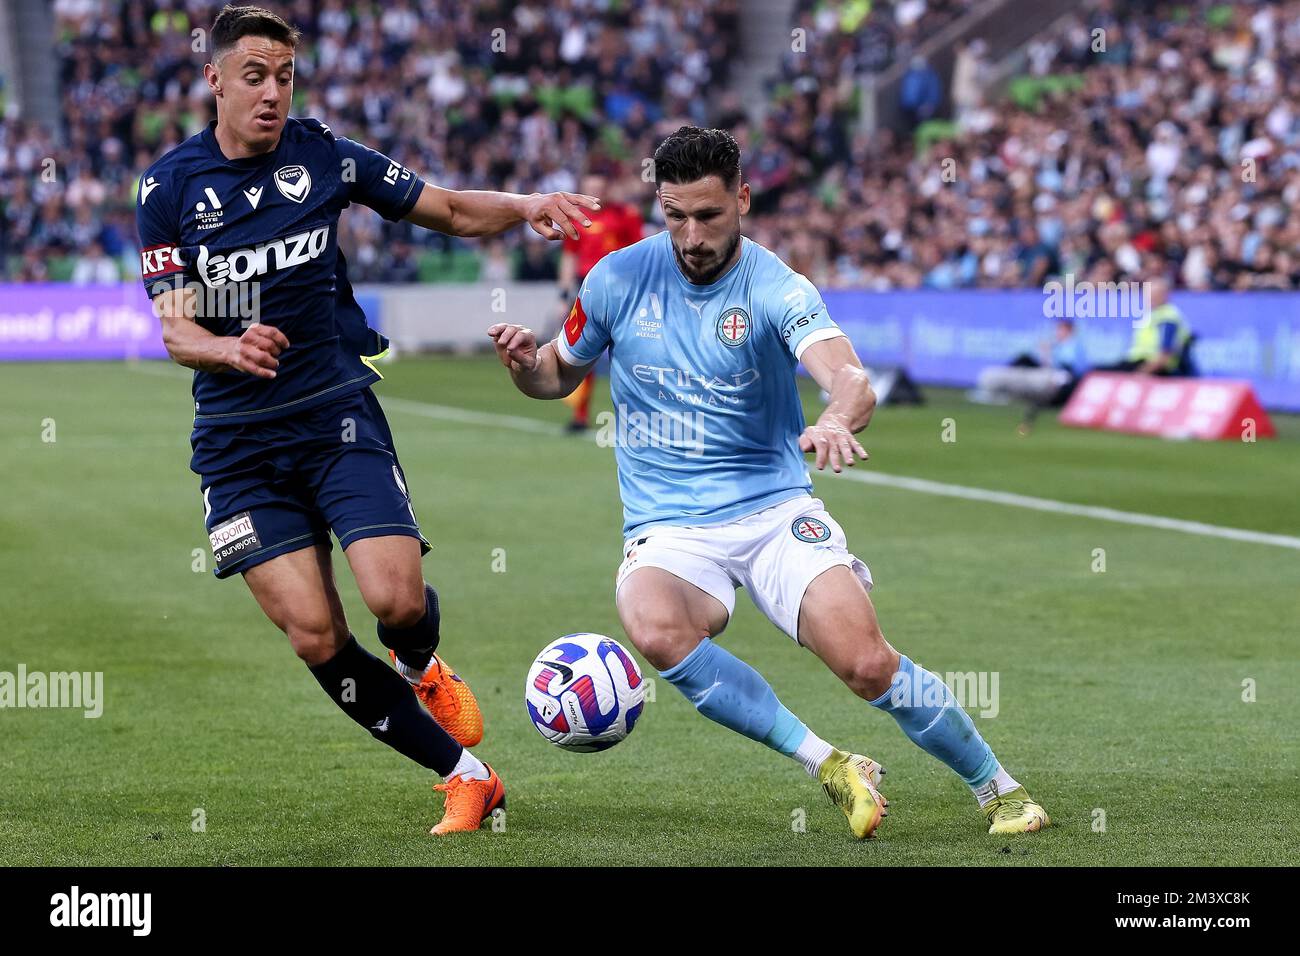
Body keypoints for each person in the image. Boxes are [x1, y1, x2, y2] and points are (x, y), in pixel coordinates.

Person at [488, 127, 1048, 838]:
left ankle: (999, 788)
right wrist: (524, 365)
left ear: (744, 199)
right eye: (675, 215)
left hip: (774, 510)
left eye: (709, 216)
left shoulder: (777, 287)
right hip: (668, 528)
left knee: (867, 664)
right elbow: (556, 375)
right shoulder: (616, 279)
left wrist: (838, 417)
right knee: (654, 625)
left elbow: (848, 375)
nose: (691, 235)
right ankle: (830, 764)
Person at [136, 4, 598, 835]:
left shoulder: (326, 158)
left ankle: (420, 661)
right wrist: (226, 350)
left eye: (284, 76)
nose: (272, 92)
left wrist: (527, 202)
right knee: (317, 638)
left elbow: (449, 209)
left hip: (333, 416)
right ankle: (467, 777)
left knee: (394, 600)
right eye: (254, 76)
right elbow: (175, 329)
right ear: (214, 80)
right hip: (237, 447)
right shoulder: (167, 189)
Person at [556, 171, 644, 432]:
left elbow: (639, 254)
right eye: (589, 188)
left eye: (599, 188)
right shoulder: (575, 218)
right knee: (583, 355)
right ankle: (580, 415)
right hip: (587, 292)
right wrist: (563, 295)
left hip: (621, 292)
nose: (594, 194)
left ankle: (637, 417)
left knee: (632, 354)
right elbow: (569, 257)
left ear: (608, 189)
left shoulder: (625, 215)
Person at [973, 318, 1084, 430]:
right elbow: (1044, 364)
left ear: (1069, 330)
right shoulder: (1057, 346)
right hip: (1045, 376)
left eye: (1061, 329)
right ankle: (1001, 388)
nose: (1057, 332)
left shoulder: (1072, 346)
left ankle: (1000, 390)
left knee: (1034, 381)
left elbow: (1066, 370)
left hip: (1058, 382)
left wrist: (1048, 355)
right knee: (1024, 359)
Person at [1107, 277, 1194, 375]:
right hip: (1138, 362)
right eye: (1147, 294)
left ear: (1164, 295)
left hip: (1152, 367)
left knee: (1100, 374)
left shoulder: (1168, 318)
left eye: (1153, 295)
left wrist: (1141, 373)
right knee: (1096, 372)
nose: (1149, 298)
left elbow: (1164, 356)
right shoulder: (1154, 314)